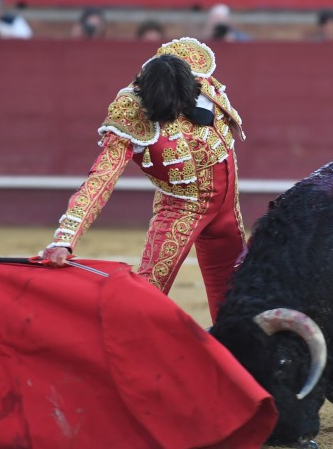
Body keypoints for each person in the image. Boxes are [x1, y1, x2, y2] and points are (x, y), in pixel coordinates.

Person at [41, 37, 247, 323]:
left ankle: (235, 363)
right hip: (182, 211)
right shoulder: (130, 113)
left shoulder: (198, 73)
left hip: (228, 209)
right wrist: (65, 239)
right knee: (146, 298)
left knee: (239, 299)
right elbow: (100, 179)